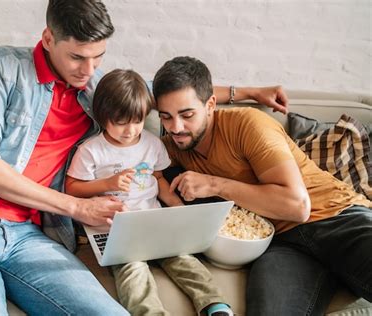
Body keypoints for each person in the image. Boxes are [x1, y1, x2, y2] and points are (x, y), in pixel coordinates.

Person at [0, 0, 289, 314]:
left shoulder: (96, 88)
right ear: (48, 38)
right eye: (78, 58)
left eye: (98, 57)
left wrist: (249, 92)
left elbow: (164, 91)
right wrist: (77, 207)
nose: (89, 70)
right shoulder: (0, 68)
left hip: (32, 236)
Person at [151, 56, 372, 316]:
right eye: (165, 117)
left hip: (336, 215)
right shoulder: (168, 150)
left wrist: (214, 184)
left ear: (210, 104)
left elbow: (298, 207)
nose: (176, 128)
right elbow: (129, 97)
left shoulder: (247, 125)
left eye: (187, 115)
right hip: (281, 244)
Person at [65, 68, 234, 316]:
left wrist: (176, 207)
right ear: (103, 117)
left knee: (185, 260)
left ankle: (215, 305)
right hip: (116, 230)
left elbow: (157, 178)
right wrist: (107, 184)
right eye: (120, 123)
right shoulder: (92, 150)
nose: (130, 130)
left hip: (155, 223)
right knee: (133, 272)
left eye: (137, 121)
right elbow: (72, 188)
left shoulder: (152, 144)